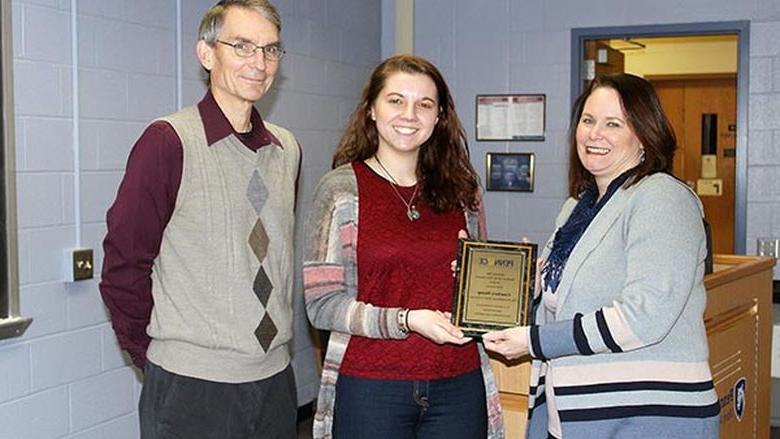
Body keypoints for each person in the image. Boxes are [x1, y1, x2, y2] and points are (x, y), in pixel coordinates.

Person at [99, 1, 300, 437]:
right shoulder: (168, 142)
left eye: (270, 50)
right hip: (191, 387)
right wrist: (157, 358)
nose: (259, 62)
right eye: (242, 46)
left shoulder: (287, 149)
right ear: (207, 54)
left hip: (274, 381)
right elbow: (123, 266)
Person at [482, 74, 720, 438]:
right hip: (575, 413)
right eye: (588, 120)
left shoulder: (662, 198)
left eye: (613, 124)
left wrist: (535, 341)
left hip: (647, 416)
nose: (594, 134)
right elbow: (558, 300)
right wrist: (499, 281)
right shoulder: (578, 206)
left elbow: (644, 317)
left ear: (643, 134)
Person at [303, 55, 503, 439]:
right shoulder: (340, 191)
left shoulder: (463, 191)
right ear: (371, 110)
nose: (409, 114)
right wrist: (408, 320)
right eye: (396, 100)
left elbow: (477, 290)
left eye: (424, 104)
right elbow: (321, 305)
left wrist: (506, 276)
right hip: (371, 385)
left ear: (439, 116)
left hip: (457, 382)